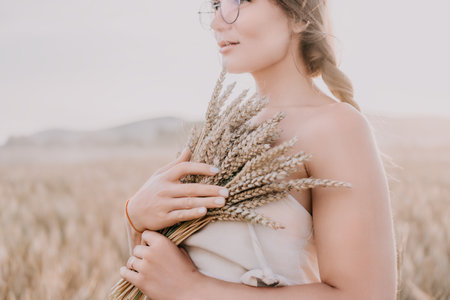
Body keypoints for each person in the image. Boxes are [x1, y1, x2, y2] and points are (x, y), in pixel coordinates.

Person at [119, 0, 398, 299]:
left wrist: (194, 289)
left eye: (240, 1)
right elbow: (159, 268)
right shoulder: (223, 130)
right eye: (215, 5)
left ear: (298, 17)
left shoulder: (334, 126)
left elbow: (367, 294)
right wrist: (135, 217)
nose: (217, 22)